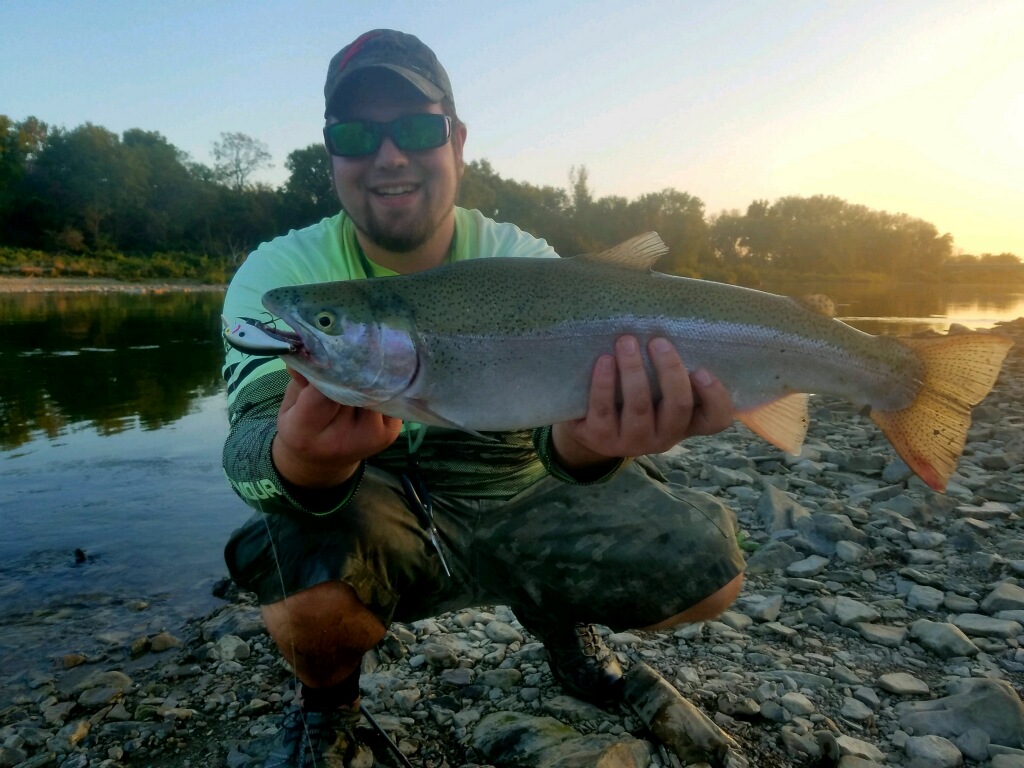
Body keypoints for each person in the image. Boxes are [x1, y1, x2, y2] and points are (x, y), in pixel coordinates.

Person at [221, 29, 745, 768]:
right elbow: (245, 446)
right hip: (372, 512)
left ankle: (558, 611)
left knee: (708, 569)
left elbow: (554, 445)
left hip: (519, 496)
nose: (388, 155)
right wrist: (296, 460)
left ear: (457, 141)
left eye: (415, 128)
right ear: (331, 152)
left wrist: (594, 444)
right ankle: (329, 703)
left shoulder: (521, 261)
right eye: (354, 134)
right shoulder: (282, 278)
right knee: (295, 572)